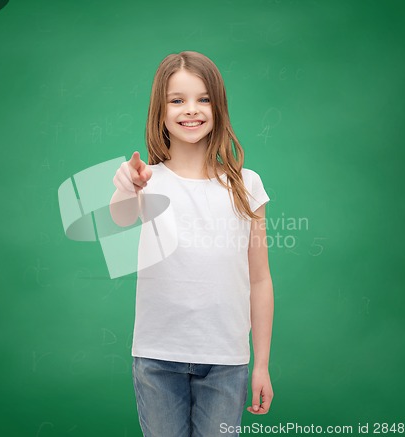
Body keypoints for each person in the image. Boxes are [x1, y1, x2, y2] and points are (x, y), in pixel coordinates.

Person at [110, 51, 274, 437]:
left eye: (203, 99)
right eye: (177, 99)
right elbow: (119, 217)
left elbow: (260, 279)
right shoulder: (145, 179)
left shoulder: (245, 185)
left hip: (226, 360)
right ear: (160, 110)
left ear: (218, 107)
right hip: (157, 359)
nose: (191, 110)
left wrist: (262, 363)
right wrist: (124, 185)